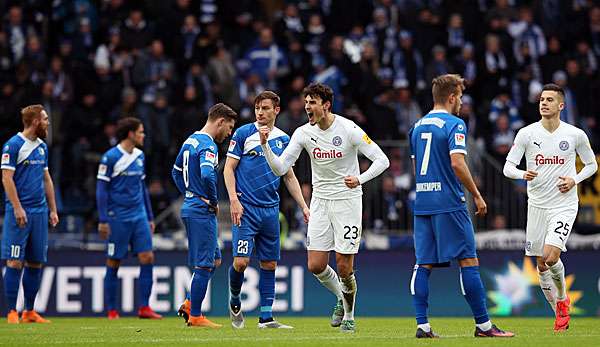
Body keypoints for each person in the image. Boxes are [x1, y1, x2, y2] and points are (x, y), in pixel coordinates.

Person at [259, 83, 390, 333]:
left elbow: (381, 160)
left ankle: (349, 315)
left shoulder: (348, 129)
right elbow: (280, 168)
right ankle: (341, 298)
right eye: (306, 102)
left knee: (344, 266)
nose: (307, 107)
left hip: (347, 201)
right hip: (319, 201)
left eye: (312, 102)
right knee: (316, 265)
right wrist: (265, 146)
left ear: (326, 105)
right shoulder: (302, 133)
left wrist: (359, 179)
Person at [408, 74, 514, 338]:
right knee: (468, 260)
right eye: (461, 98)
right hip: (449, 203)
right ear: (452, 97)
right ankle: (484, 326)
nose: (462, 103)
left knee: (423, 264)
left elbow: (415, 168)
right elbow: (457, 163)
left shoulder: (417, 126)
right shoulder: (454, 124)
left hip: (423, 202)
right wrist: (476, 194)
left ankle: (423, 326)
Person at [503, 83, 597, 331]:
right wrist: (522, 174)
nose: (544, 103)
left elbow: (591, 165)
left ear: (561, 106)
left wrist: (574, 179)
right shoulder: (526, 134)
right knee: (541, 265)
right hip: (536, 206)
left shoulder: (575, 135)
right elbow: (507, 167)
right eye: (542, 99)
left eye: (550, 100)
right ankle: (558, 311)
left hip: (564, 205)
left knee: (550, 255)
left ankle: (563, 300)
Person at [224, 91, 309, 329]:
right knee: (241, 262)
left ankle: (266, 317)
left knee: (269, 264)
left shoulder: (284, 139)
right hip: (246, 209)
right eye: (257, 109)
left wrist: (304, 206)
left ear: (276, 110)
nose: (260, 113)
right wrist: (233, 200)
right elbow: (228, 169)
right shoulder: (243, 134)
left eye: (265, 108)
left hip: (270, 210)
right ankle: (234, 298)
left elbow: (289, 176)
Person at [172, 103, 237, 328]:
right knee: (204, 265)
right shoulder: (208, 145)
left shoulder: (190, 140)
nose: (229, 133)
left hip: (192, 207)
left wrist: (188, 193)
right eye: (229, 127)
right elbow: (209, 174)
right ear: (220, 121)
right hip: (201, 211)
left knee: (214, 260)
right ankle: (196, 316)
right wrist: (210, 199)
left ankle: (190, 304)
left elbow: (176, 172)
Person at [96, 117, 162, 320]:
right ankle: (112, 310)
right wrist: (103, 219)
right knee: (114, 260)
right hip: (118, 218)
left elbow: (142, 189)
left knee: (147, 257)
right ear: (131, 134)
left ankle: (144, 307)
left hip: (139, 215)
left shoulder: (140, 156)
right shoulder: (110, 157)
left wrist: (150, 216)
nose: (143, 135)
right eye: (141, 132)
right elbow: (101, 190)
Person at [2, 105, 59, 324]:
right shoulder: (13, 145)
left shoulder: (42, 147)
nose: (47, 122)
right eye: (45, 119)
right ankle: (11, 312)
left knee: (35, 262)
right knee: (15, 261)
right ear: (35, 122)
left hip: (40, 212)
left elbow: (46, 179)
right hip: (20, 212)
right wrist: (17, 207)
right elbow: (6, 178)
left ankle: (29, 311)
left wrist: (53, 209)